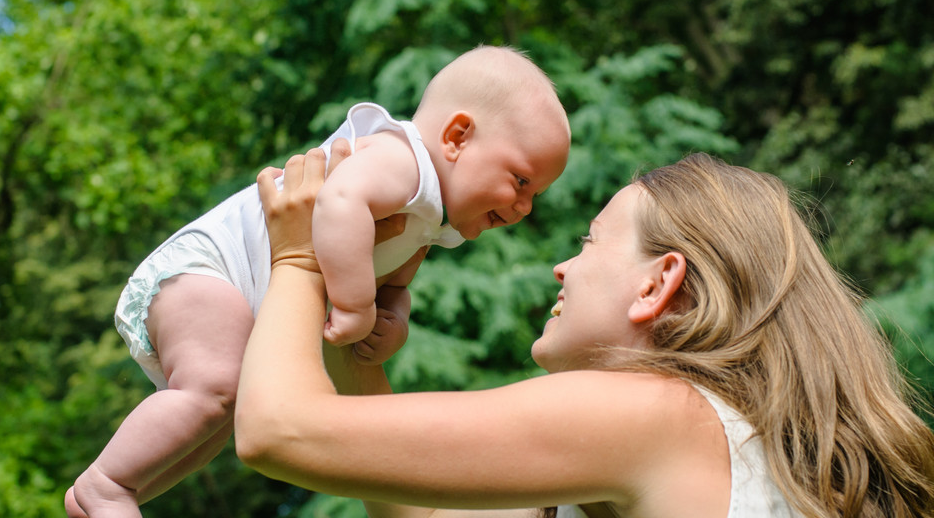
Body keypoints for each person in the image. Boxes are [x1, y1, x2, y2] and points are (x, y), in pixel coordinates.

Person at [236, 147, 934, 518]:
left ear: (657, 283)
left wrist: (297, 253)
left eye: (590, 241)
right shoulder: (708, 437)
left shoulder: (656, 415)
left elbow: (278, 431)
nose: (561, 266)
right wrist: (361, 356)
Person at [64, 46, 572, 517]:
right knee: (215, 388)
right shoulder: (406, 162)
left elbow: (392, 285)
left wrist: (391, 317)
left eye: (536, 196)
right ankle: (108, 484)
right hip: (208, 269)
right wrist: (354, 306)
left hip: (234, 293)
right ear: (457, 137)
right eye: (521, 181)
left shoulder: (434, 220)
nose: (523, 207)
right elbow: (339, 202)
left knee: (217, 417)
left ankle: (119, 492)